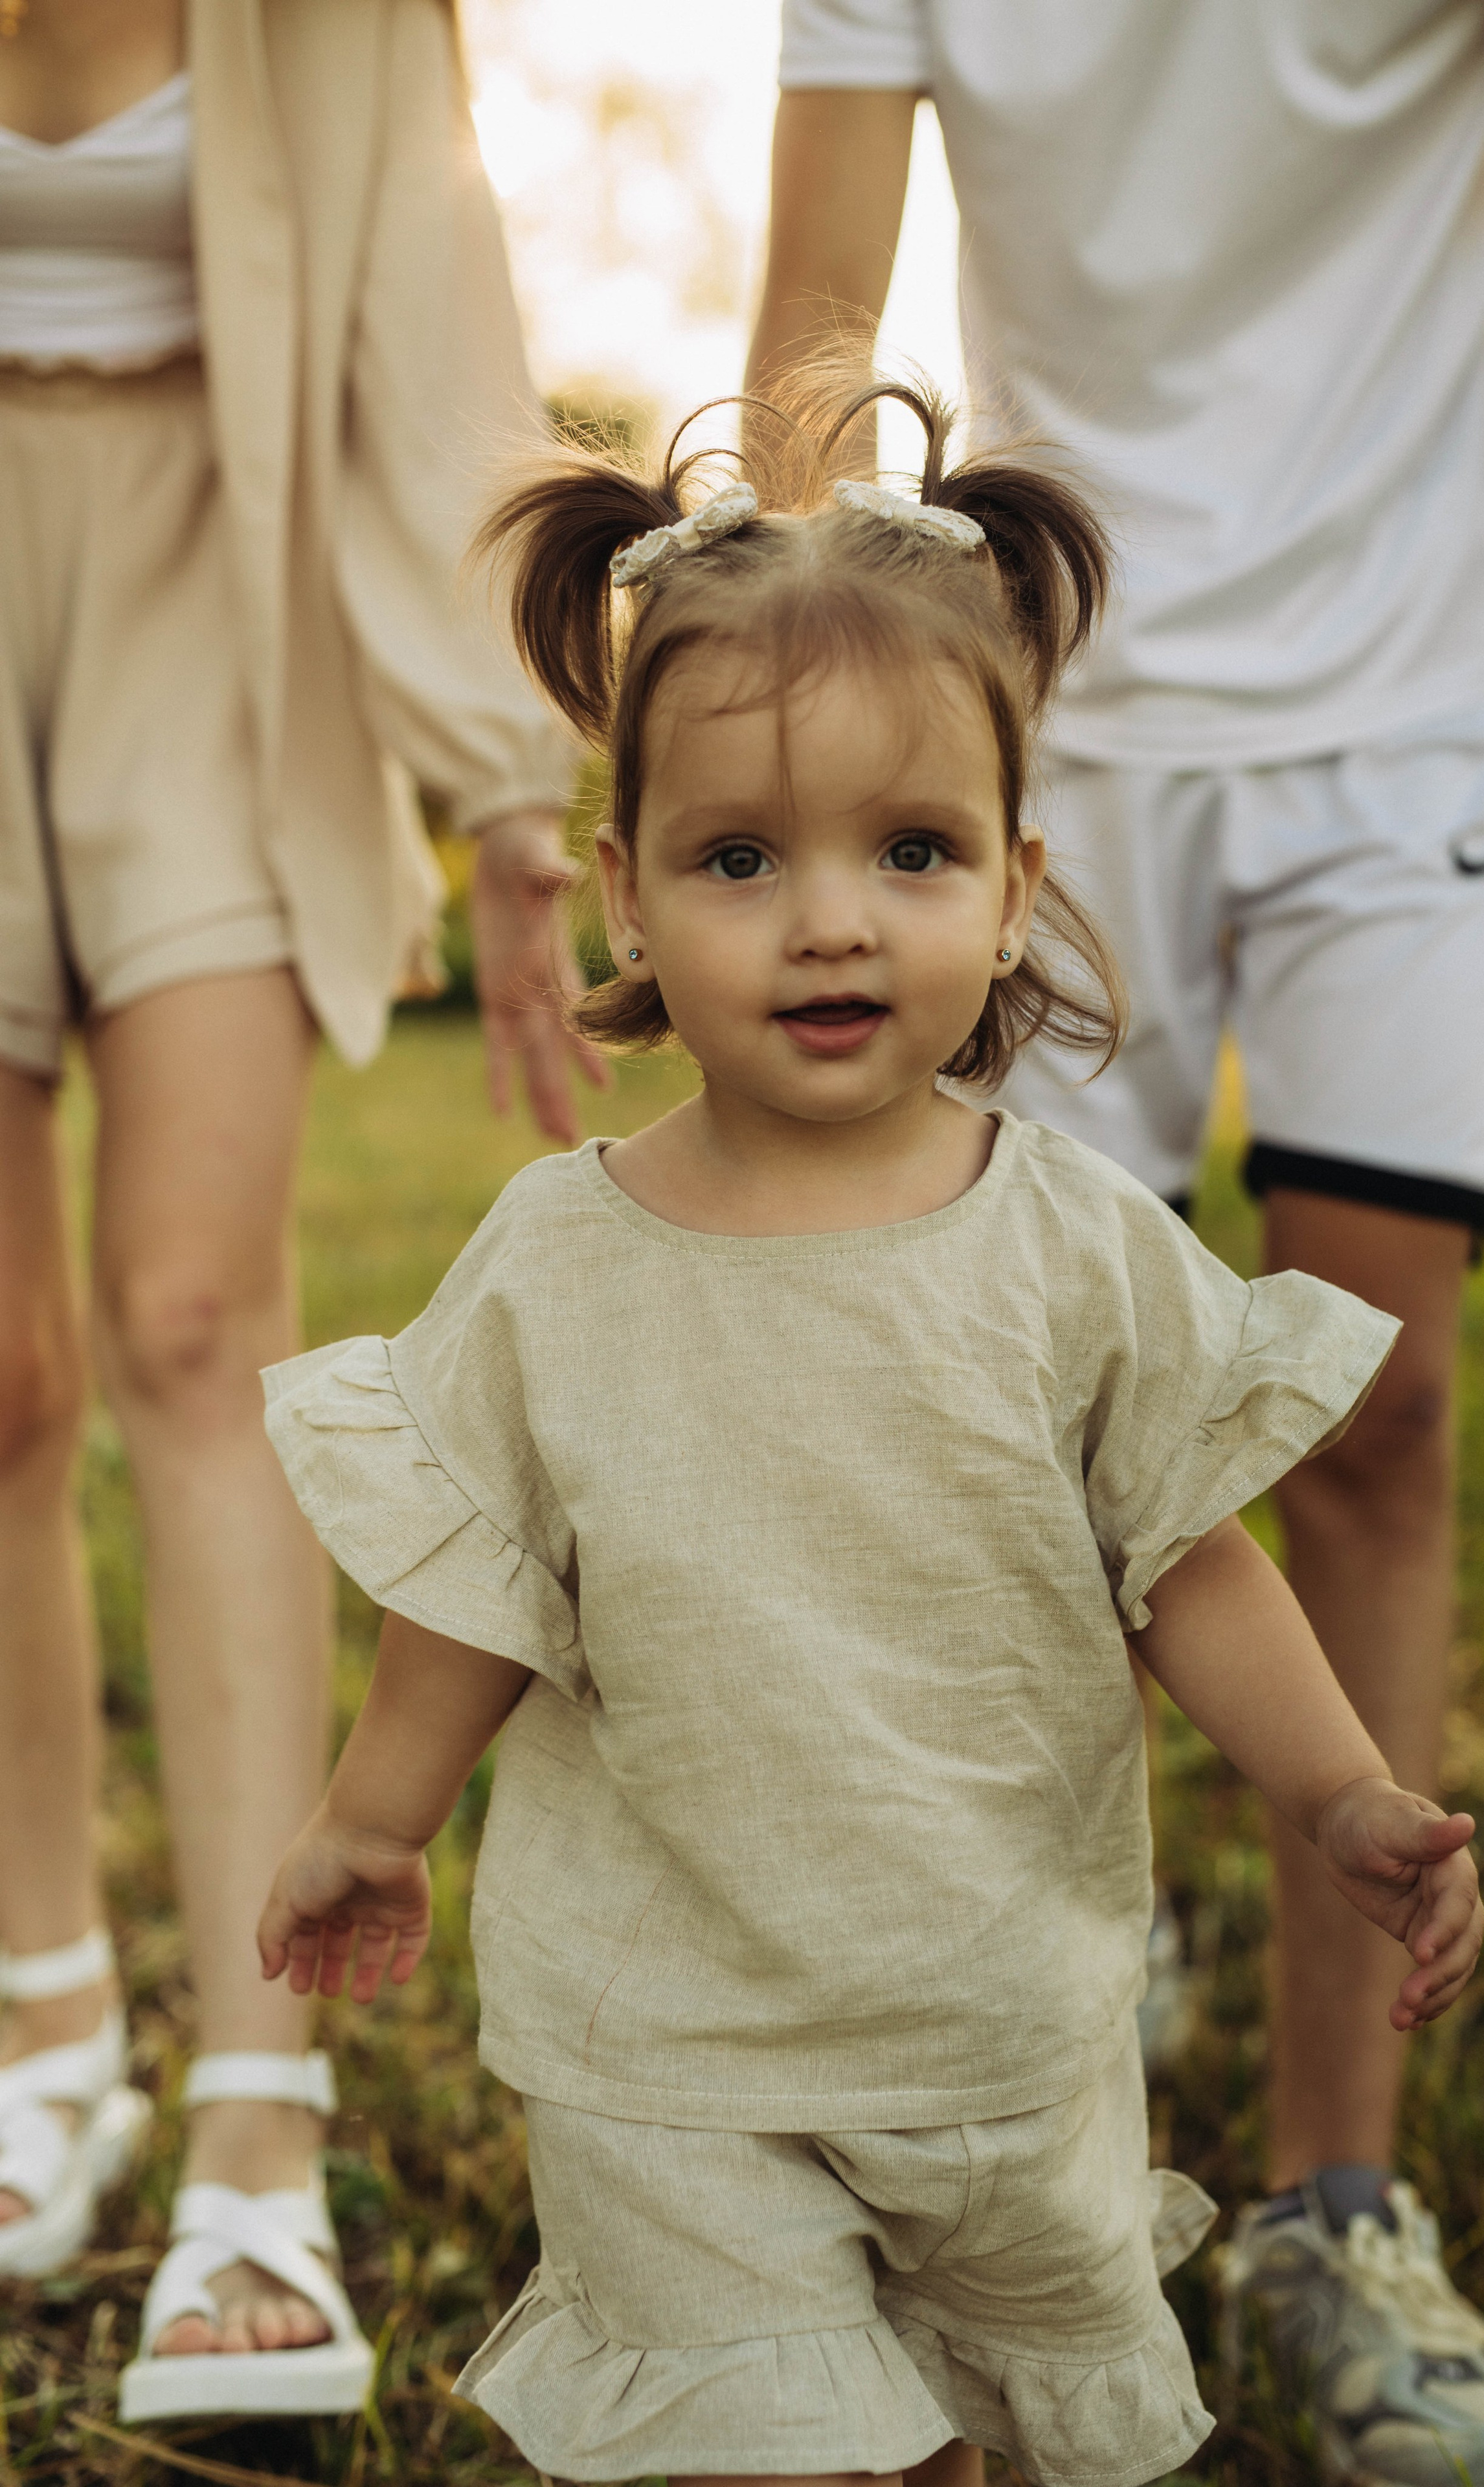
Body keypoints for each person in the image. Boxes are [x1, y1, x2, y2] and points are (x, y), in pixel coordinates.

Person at [253, 380, 1484, 2487]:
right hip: (675, 2044)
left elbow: (1190, 1563)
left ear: (1010, 889)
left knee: (959, 2448)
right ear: (628, 899)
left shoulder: (1076, 1247)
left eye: (908, 853)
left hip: (997, 2020)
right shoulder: (561, 1258)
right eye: (744, 859)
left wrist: (1344, 1792)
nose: (832, 918)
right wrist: (378, 1816)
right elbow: (479, 1586)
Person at [745, 8, 1484, 2480]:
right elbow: (822, 320)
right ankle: (1026, 2148)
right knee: (1024, 1426)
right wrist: (832, 756)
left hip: (1421, 693)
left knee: (1379, 1412)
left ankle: (1339, 2216)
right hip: (1044, 722)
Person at [0, 0, 600, 2426]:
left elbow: (442, 331)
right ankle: (43, 2015)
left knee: (185, 1317)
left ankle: (262, 2103)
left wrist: (513, 802)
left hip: (213, 596)